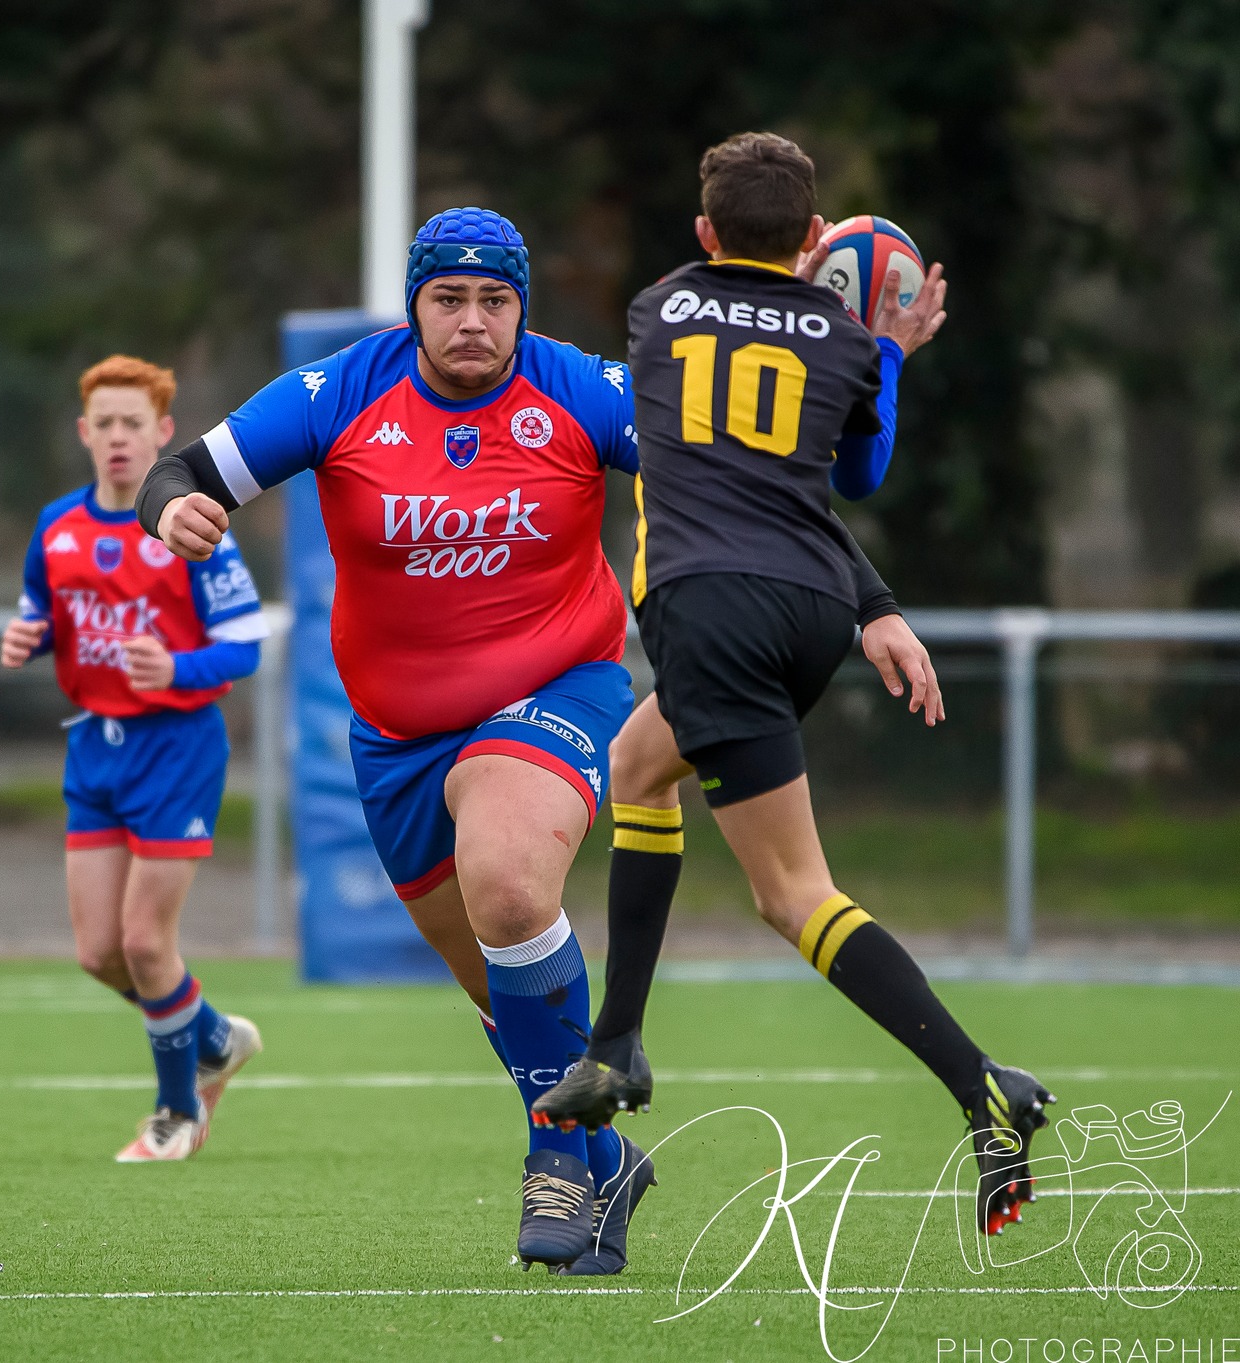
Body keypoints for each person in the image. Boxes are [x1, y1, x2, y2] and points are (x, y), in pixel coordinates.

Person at [531, 133, 1057, 1240]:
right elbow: (853, 478)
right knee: (636, 762)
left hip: (708, 608)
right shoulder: (843, 339)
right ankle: (614, 1045)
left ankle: (980, 1087)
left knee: (792, 894)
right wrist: (889, 352)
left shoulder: (657, 308)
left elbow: (708, 434)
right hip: (813, 608)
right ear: (814, 238)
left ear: (702, 233)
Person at [137, 209, 655, 1273]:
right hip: (395, 739)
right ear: (414, 304)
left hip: (560, 688)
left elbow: (734, 464)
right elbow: (180, 471)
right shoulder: (338, 393)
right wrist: (171, 514)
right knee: (499, 990)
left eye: (494, 300)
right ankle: (605, 1159)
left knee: (509, 883)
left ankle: (555, 1154)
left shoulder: (581, 391)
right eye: (448, 299)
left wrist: (861, 373)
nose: (472, 321)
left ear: (521, 307)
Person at [1, 355, 267, 1163]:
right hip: (94, 747)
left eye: (133, 424)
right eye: (104, 423)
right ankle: (214, 1036)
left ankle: (176, 1111)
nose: (118, 437)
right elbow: (42, 612)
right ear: (85, 433)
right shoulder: (57, 527)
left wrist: (178, 669)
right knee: (99, 953)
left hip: (176, 748)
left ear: (162, 434)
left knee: (148, 943)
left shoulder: (192, 523)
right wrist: (30, 635)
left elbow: (246, 642)